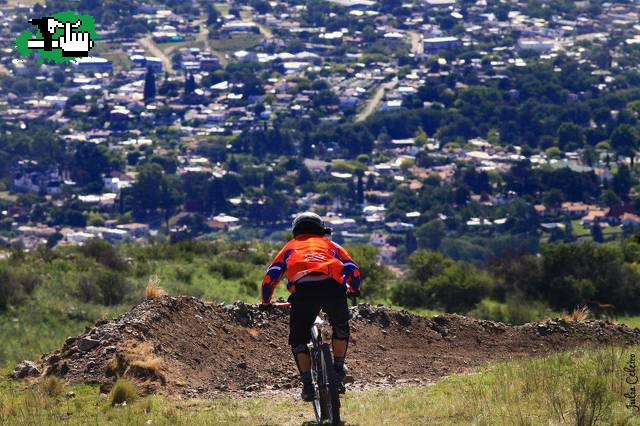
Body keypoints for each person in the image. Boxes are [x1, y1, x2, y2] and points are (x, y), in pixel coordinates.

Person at [260, 212, 361, 401]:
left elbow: (270, 277)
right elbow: (353, 269)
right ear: (321, 230)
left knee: (298, 340)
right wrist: (353, 289)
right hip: (333, 289)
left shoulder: (290, 248)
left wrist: (266, 302)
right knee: (340, 326)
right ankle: (338, 370)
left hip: (304, 293)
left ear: (295, 231)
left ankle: (307, 385)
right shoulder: (331, 245)